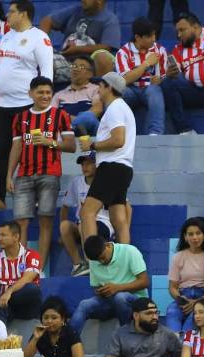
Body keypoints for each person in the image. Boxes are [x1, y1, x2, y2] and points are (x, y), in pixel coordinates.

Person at [0, 0, 52, 207]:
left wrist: (42, 105)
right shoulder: (6, 37)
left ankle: (35, 197)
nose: (7, 16)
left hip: (26, 105)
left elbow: (47, 73)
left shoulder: (40, 38)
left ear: (24, 14)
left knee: (31, 149)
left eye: (11, 12)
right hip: (1, 105)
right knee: (2, 150)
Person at [8, 77, 74, 266]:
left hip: (50, 174)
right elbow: (16, 148)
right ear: (31, 93)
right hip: (24, 175)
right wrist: (8, 176)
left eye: (48, 92)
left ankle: (39, 268)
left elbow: (71, 146)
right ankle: (20, 267)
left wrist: (50, 142)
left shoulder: (60, 115)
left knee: (45, 221)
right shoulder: (20, 118)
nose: (45, 96)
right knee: (21, 223)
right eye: (40, 92)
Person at [80, 73, 135, 245]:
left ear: (109, 88)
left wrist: (93, 146)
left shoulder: (115, 108)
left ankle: (92, 260)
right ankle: (125, 258)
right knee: (118, 217)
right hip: (123, 168)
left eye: (101, 85)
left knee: (87, 212)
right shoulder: (123, 107)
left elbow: (118, 140)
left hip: (111, 166)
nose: (98, 89)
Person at [68, 237, 149, 335]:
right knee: (84, 304)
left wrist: (117, 288)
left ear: (107, 245)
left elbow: (144, 282)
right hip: (109, 301)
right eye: (98, 260)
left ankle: (127, 336)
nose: (101, 262)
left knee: (120, 297)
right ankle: (69, 341)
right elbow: (95, 287)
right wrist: (101, 291)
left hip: (135, 300)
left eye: (102, 257)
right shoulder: (94, 260)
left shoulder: (129, 251)